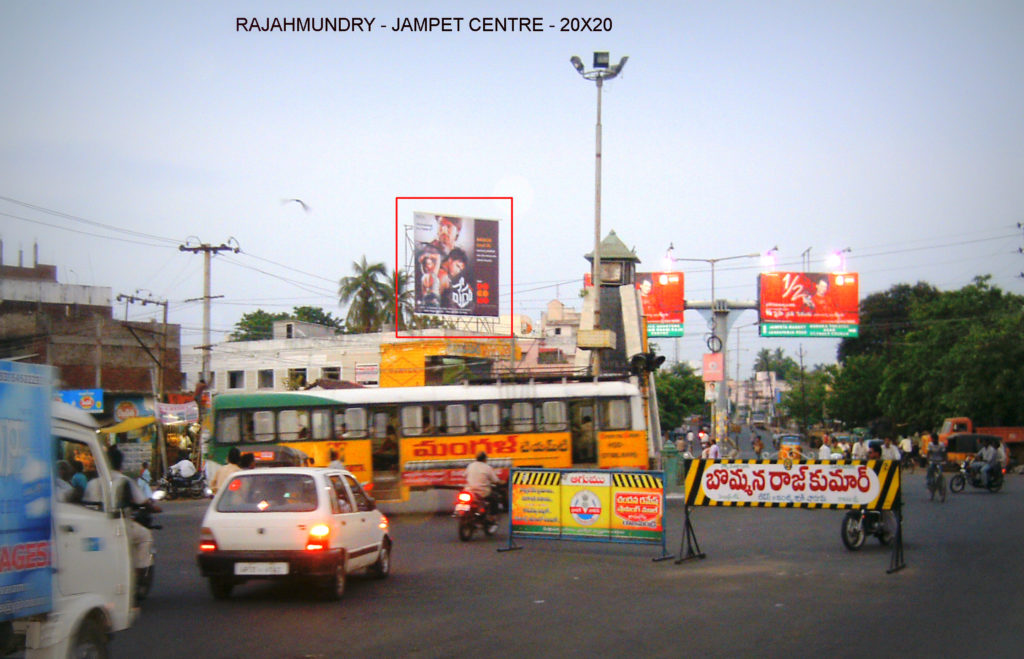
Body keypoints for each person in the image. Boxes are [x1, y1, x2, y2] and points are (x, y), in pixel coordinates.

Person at [84, 445, 154, 577]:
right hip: (118, 526)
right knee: (145, 536)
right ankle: (139, 573)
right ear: (120, 463)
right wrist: (154, 508)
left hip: (92, 526)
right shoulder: (124, 480)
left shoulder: (92, 483)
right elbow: (143, 502)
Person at [464, 451, 500, 519]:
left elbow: (464, 475)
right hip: (482, 492)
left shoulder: (470, 465)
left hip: (469, 491)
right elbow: (495, 480)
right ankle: (492, 516)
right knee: (495, 497)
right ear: (485, 459)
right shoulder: (487, 467)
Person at [439, 247, 473, 312]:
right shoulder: (443, 275)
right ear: (450, 260)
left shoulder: (444, 275)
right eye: (457, 266)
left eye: (460, 270)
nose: (458, 271)